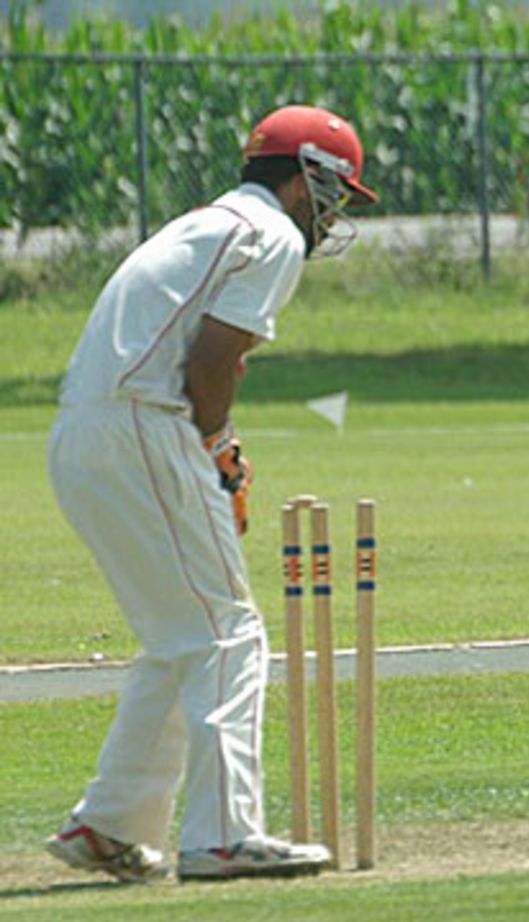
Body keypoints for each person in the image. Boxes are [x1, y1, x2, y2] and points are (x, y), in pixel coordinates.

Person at [44, 105, 378, 881]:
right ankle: (225, 835)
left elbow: (205, 356)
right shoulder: (273, 236)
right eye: (333, 196)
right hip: (142, 427)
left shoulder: (209, 223)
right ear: (306, 180)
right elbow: (212, 364)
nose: (331, 216)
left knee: (182, 637)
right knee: (229, 633)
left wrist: (209, 446)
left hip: (82, 434)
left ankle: (107, 823)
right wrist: (216, 449)